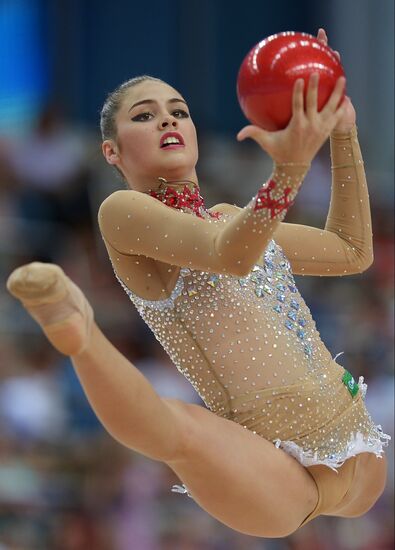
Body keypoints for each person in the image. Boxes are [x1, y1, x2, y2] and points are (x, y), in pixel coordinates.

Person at [6, 28, 390, 538]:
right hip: (273, 474)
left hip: (361, 453)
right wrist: (291, 167)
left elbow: (351, 250)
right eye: (143, 115)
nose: (167, 118)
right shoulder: (122, 211)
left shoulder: (234, 217)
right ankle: (82, 337)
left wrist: (343, 131)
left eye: (178, 110)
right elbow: (227, 255)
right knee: (178, 428)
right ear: (111, 152)